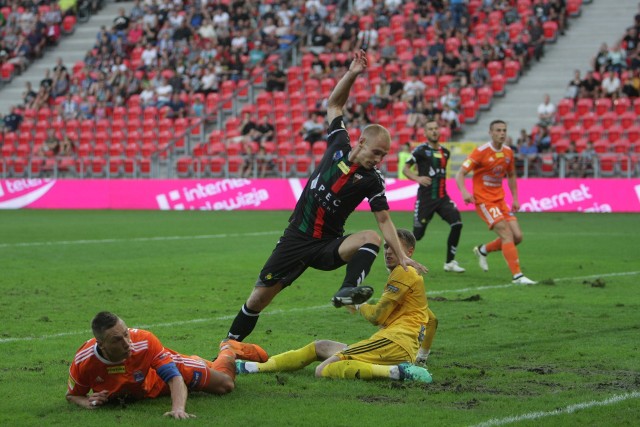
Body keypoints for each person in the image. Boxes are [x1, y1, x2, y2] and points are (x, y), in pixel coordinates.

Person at [225, 50, 428, 342]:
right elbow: (334, 103)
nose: (380, 160)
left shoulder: (372, 180)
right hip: (295, 239)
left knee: (370, 236)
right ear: (361, 142)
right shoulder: (338, 143)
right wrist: (353, 74)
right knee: (258, 299)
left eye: (384, 155)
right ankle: (228, 346)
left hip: (328, 246)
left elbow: (384, 220)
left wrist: (402, 257)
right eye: (377, 153)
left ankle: (347, 291)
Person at [236, 229, 434, 383]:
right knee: (319, 347)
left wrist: (357, 302)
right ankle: (252, 368)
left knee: (322, 370)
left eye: (395, 247)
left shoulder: (404, 272)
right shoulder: (411, 280)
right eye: (387, 247)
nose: (389, 251)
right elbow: (432, 320)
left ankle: (396, 372)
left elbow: (377, 317)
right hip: (394, 346)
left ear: (409, 252)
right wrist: (421, 356)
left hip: (393, 344)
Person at [66, 311, 267, 419]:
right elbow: (73, 395)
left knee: (225, 385)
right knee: (208, 371)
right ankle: (201, 361)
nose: (127, 343)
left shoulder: (144, 342)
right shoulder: (84, 361)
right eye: (117, 340)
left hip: (166, 374)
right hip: (146, 389)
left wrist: (178, 408)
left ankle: (228, 348)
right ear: (101, 344)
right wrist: (88, 402)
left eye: (126, 333)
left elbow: (173, 376)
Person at [455, 120, 536, 285]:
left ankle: (483, 250)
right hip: (484, 201)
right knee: (506, 234)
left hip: (500, 200)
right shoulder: (481, 152)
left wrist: (515, 198)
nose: (502, 133)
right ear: (490, 133)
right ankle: (517, 276)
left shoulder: (508, 152)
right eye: (498, 130)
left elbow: (511, 175)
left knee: (518, 237)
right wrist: (464, 192)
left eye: (504, 130)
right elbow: (460, 173)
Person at [402, 118, 465, 273]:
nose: (434, 131)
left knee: (457, 224)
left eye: (436, 128)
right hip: (426, 199)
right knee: (417, 235)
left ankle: (450, 262)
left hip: (443, 198)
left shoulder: (445, 152)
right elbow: (405, 169)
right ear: (425, 133)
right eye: (430, 129)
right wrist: (418, 178)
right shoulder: (420, 150)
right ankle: (398, 257)